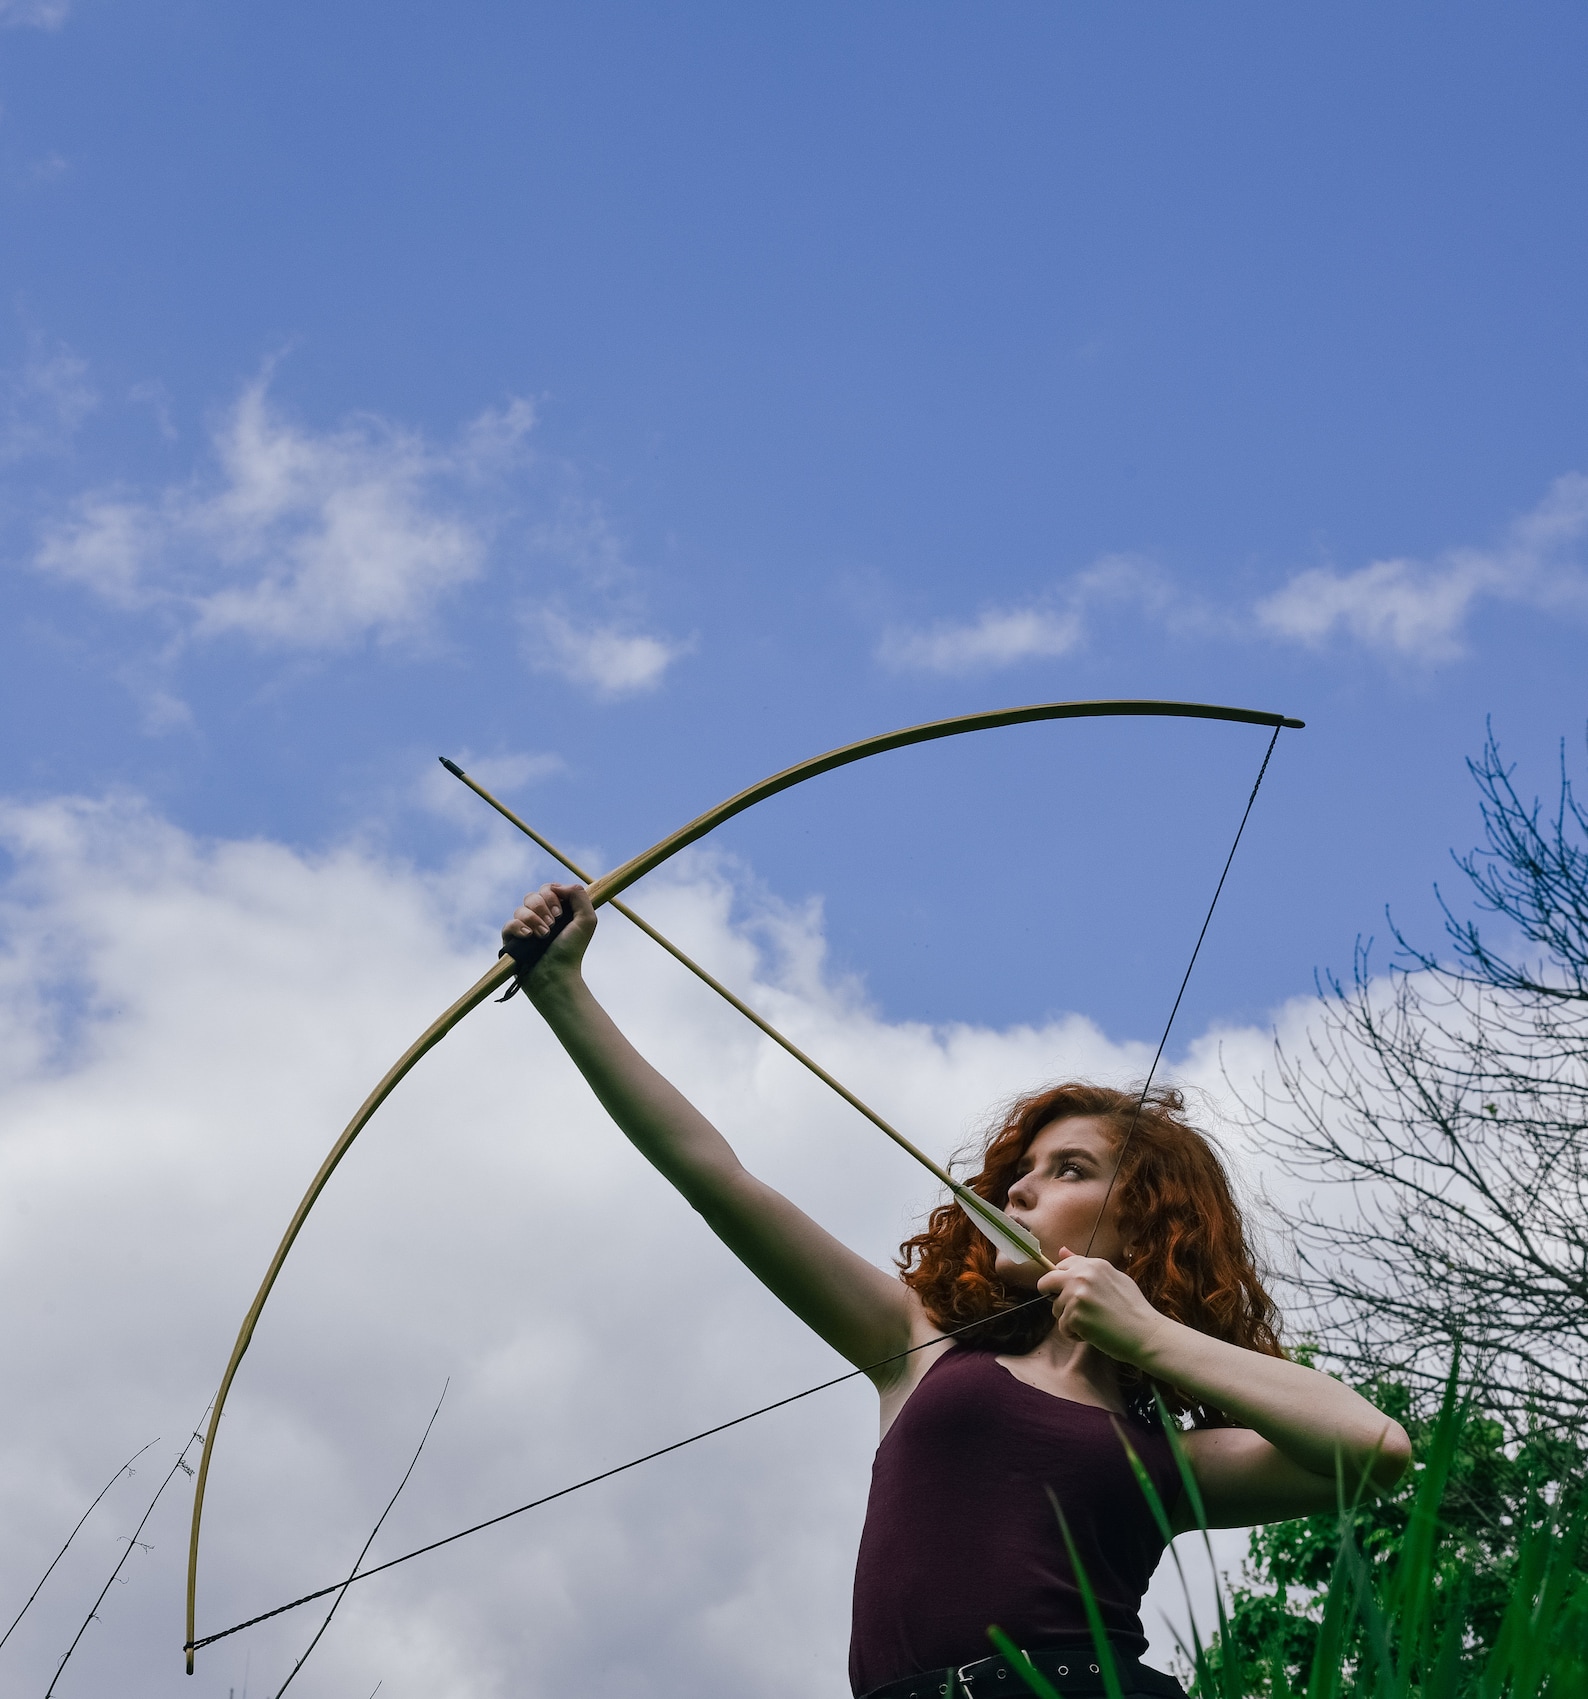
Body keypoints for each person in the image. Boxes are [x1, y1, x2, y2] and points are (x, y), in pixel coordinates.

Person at [504, 883, 1411, 1699]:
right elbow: (718, 1178)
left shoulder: (1165, 1459)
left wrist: (1150, 1338)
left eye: (1069, 1169)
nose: (1017, 1188)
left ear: (1145, 1222)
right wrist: (562, 991)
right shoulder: (919, 1338)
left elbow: (1375, 1449)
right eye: (1020, 1169)